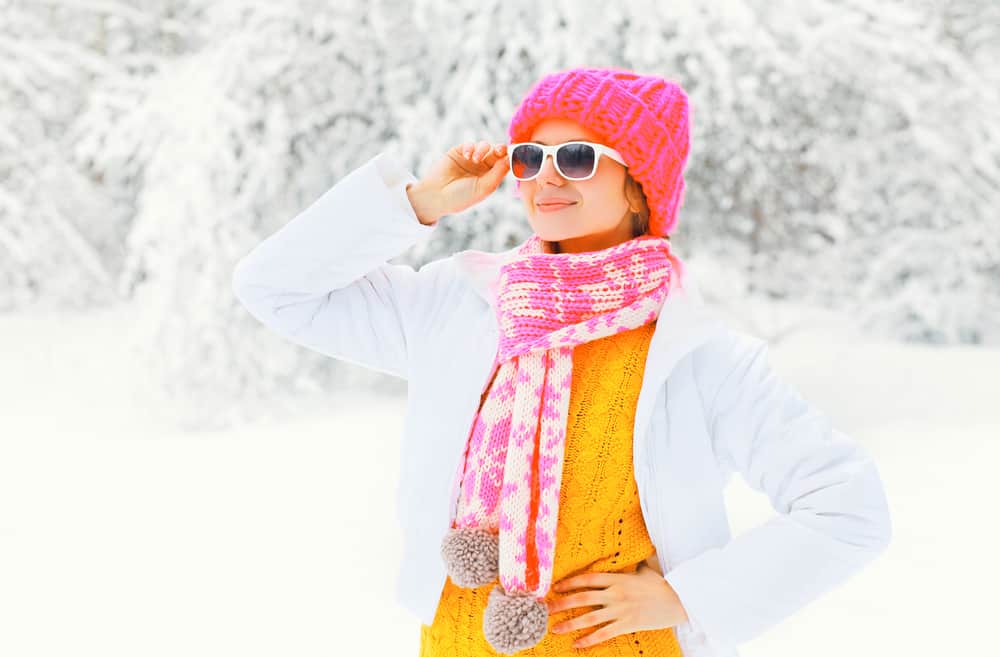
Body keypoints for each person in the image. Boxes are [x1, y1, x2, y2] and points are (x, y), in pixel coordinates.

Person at [232, 67, 892, 657]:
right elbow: (275, 287)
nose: (545, 174)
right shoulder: (457, 307)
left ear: (640, 188)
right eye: (528, 156)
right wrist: (420, 202)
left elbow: (847, 505)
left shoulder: (700, 356)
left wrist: (687, 596)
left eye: (576, 157)